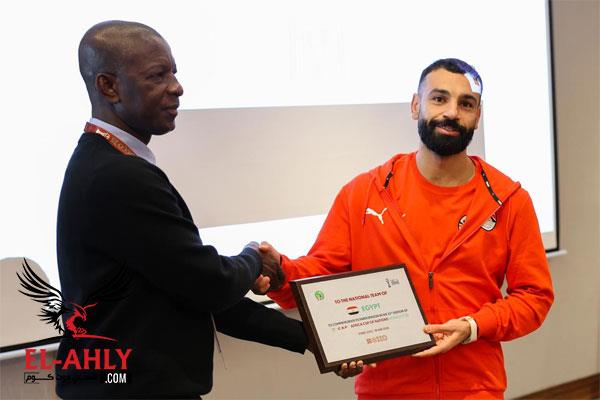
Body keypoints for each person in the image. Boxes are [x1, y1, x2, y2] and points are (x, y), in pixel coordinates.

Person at [260, 58, 554, 399]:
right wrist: (281, 274)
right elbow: (321, 275)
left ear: (478, 115)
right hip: (386, 389)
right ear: (416, 106)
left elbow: (534, 297)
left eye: (466, 104)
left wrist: (474, 326)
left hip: (476, 388)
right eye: (439, 98)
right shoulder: (364, 193)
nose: (452, 112)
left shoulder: (508, 200)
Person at [56, 20, 315, 399]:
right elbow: (210, 284)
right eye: (157, 75)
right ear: (109, 86)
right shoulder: (119, 175)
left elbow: (192, 289)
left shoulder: (108, 163)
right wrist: (254, 259)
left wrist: (310, 338)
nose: (177, 87)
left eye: (174, 73)